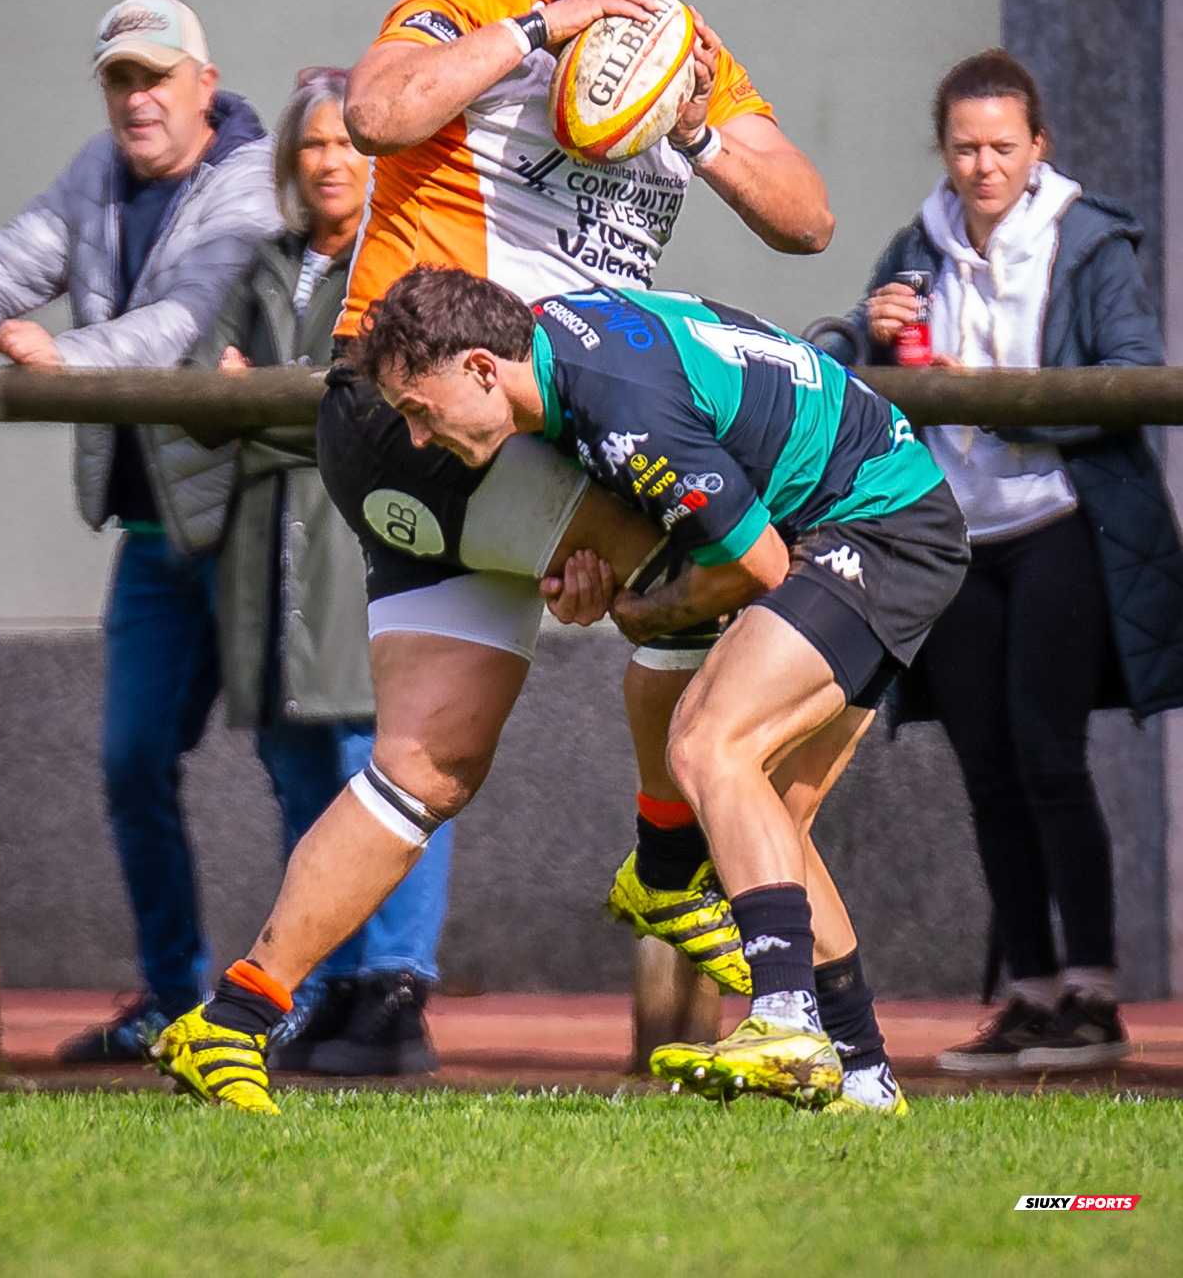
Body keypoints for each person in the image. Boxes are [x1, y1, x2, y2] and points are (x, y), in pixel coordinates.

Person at [153, 266, 967, 1112]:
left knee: (711, 744)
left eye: (420, 412)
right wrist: (627, 595)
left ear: (478, 368)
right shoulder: (551, 361)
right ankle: (862, 1070)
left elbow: (754, 568)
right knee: (763, 813)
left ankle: (778, 1008)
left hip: (873, 523)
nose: (420, 440)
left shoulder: (621, 412)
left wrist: (645, 609)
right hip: (850, 516)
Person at [844, 49, 1183, 1073]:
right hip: (952, 539)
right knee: (986, 773)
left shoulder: (1087, 242)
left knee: (1046, 761)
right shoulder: (914, 245)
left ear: (1037, 148)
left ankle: (1091, 992)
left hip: (1056, 524)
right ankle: (1028, 995)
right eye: (963, 148)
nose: (981, 165)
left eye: (1000, 146)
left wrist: (1006, 393)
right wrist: (875, 327)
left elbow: (1129, 372)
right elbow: (861, 378)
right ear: (941, 152)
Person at [0, 0, 280, 1058]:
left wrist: (64, 361)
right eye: (119, 78)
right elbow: (8, 266)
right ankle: (172, 1001)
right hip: (157, 535)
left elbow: (189, 325)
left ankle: (310, 1003)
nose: (138, 98)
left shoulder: (249, 181)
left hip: (259, 524)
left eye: (157, 76)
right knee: (129, 760)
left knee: (308, 758)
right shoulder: (94, 175)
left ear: (205, 83)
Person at [188, 70, 453, 1076]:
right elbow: (203, 392)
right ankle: (329, 980)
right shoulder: (263, 265)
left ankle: (395, 986)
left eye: (348, 142)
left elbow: (379, 408)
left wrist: (261, 406)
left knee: (379, 763)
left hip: (360, 538)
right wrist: (265, 409)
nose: (332, 161)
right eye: (313, 145)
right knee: (295, 766)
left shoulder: (404, 264)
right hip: (267, 549)